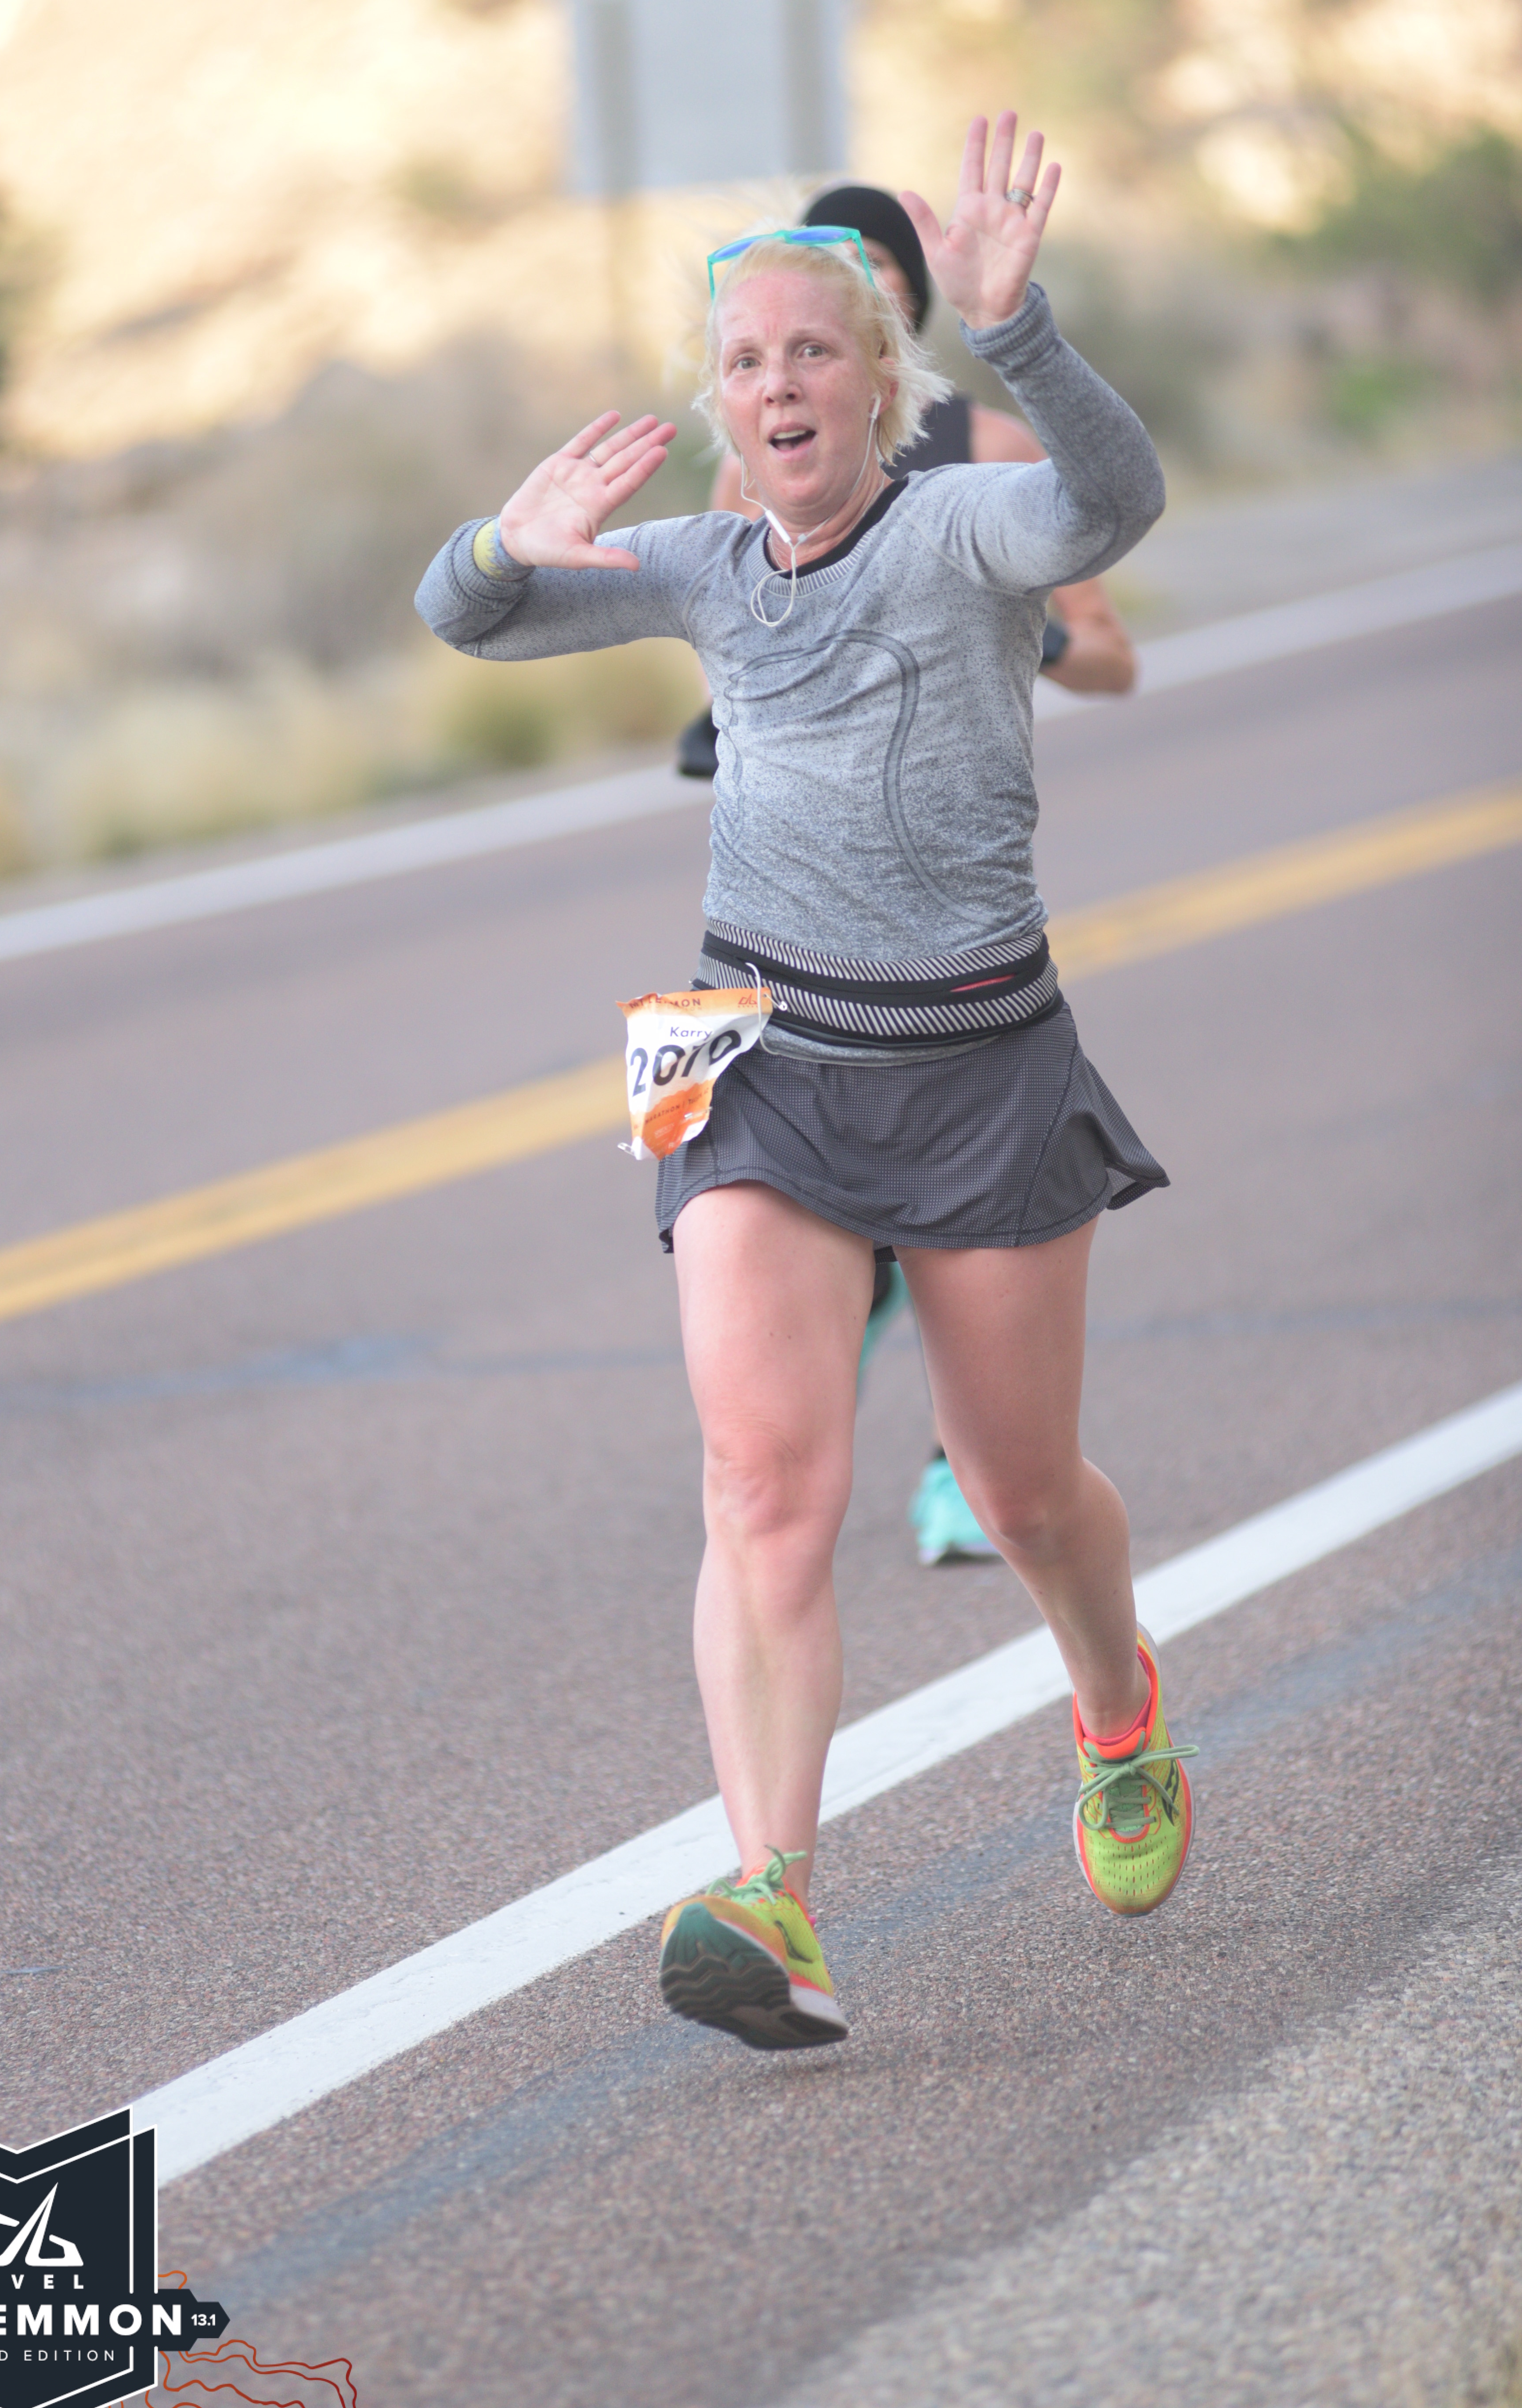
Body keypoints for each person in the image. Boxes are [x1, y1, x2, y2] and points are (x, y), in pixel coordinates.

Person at [417, 112, 1195, 2053]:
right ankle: (770, 1891)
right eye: (745, 359)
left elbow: (1114, 504)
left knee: (1020, 1494)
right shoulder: (701, 563)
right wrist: (502, 541)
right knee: (762, 1479)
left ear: (877, 383)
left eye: (814, 352)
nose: (778, 383)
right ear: (720, 404)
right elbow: (469, 617)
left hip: (976, 1064)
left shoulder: (963, 527)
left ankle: (1116, 1706)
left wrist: (1024, 335)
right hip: (754, 1057)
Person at [679, 180, 1142, 1570]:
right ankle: (793, 1465)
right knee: (793, 1294)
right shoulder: (757, 458)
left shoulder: (984, 451)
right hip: (779, 955)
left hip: (948, 928)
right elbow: (730, 607)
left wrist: (1017, 631)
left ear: (899, 325)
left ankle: (968, 1464)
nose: (854, 293)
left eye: (879, 275)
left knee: (956, 1285)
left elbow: (1111, 654)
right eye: (835, 273)